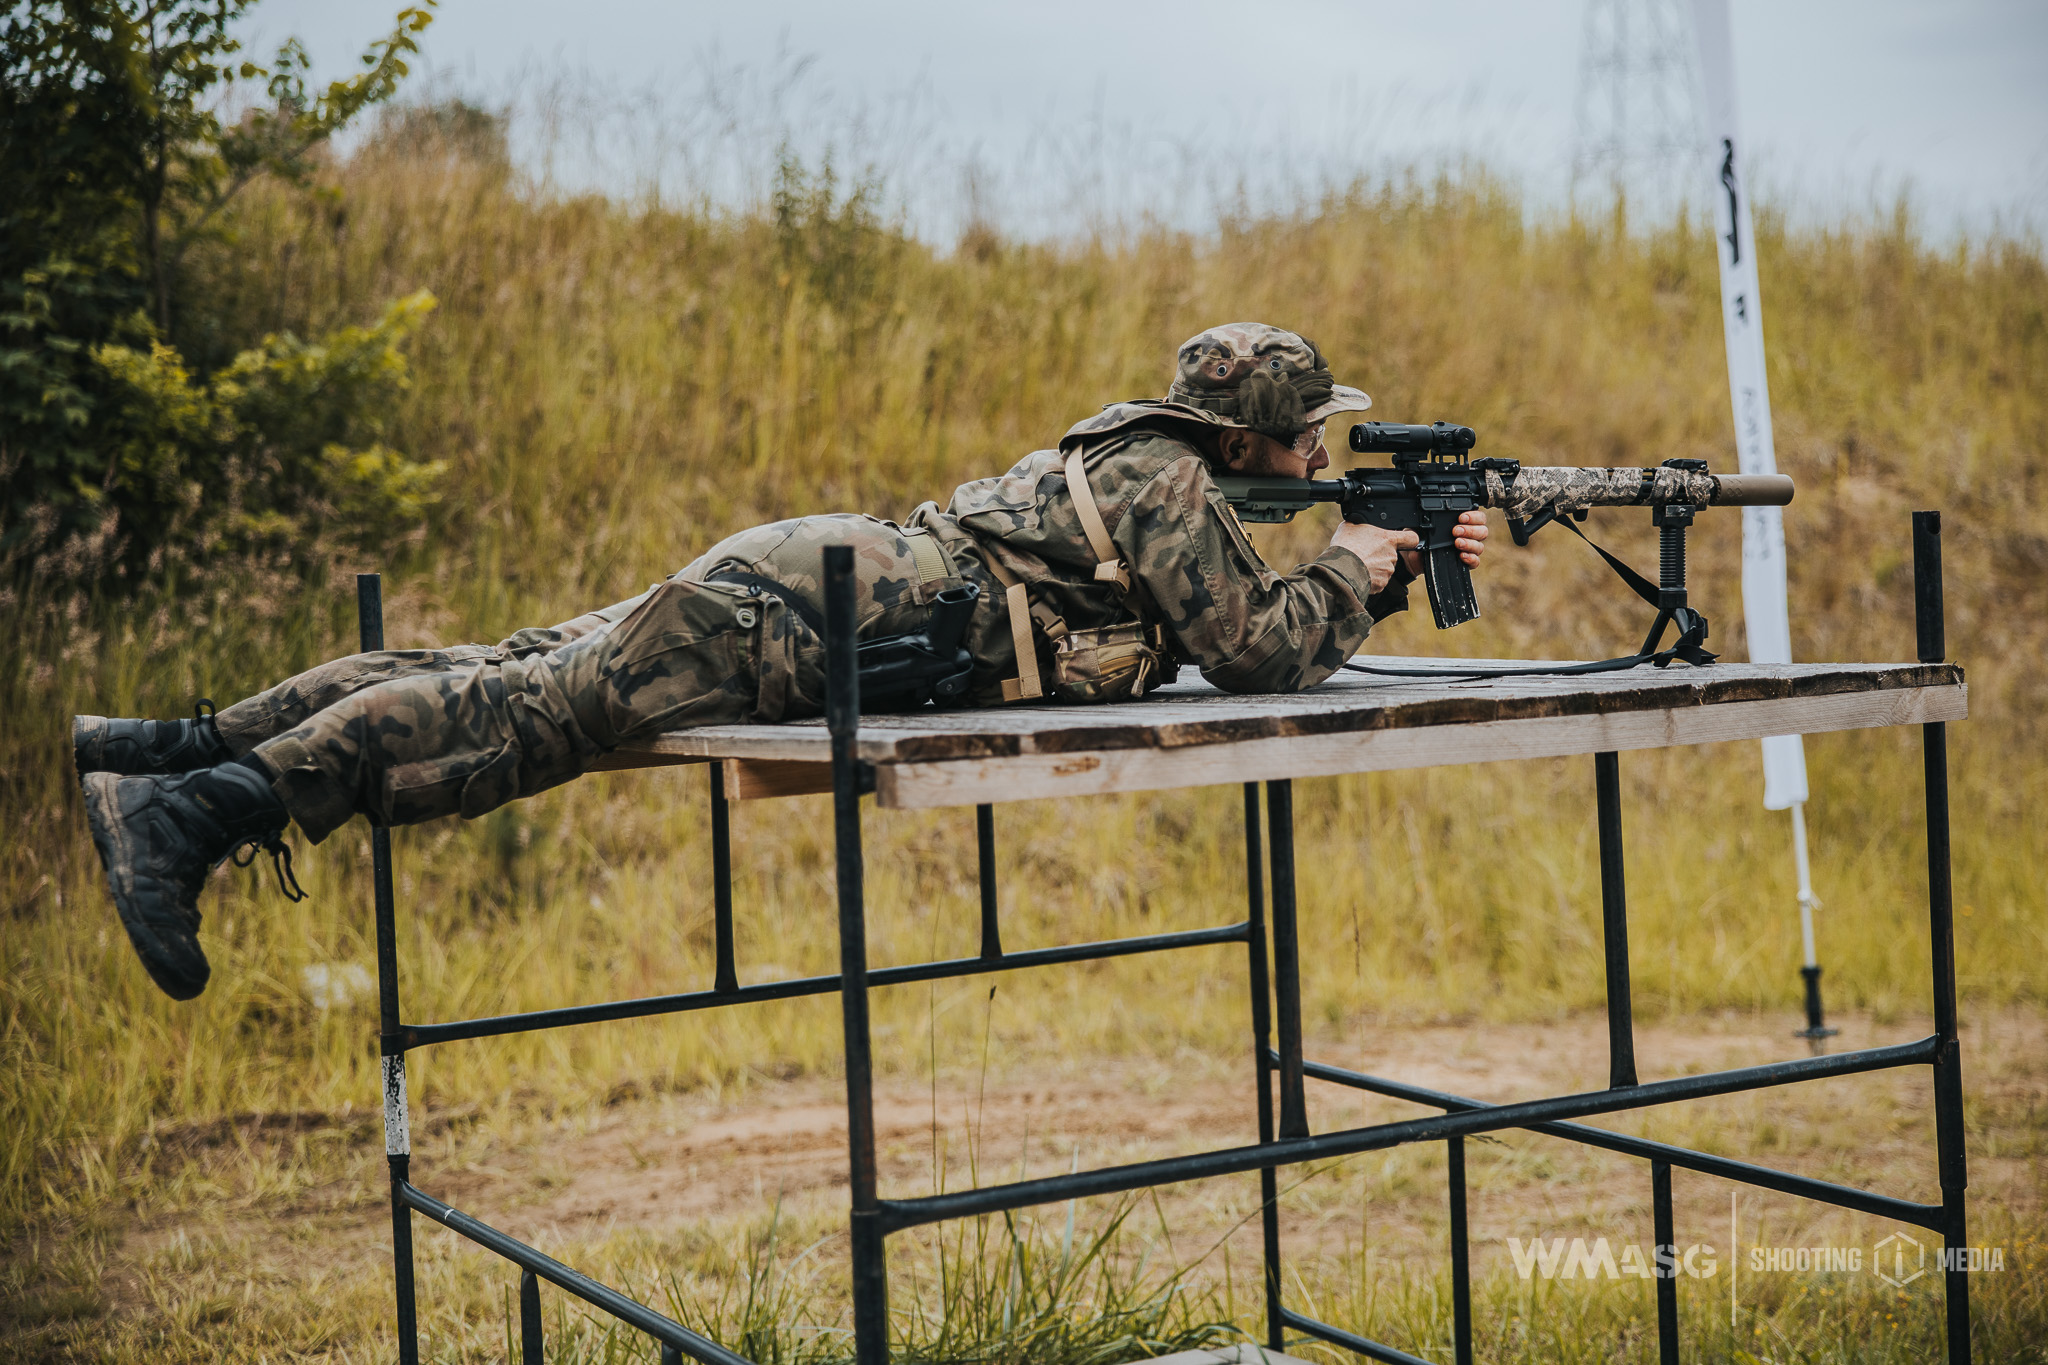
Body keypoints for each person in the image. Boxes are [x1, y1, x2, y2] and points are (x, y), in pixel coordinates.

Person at [77, 323, 1489, 999]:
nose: (1321, 453)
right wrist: (1356, 569)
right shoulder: (1172, 490)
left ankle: (160, 749)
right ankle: (197, 815)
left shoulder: (1145, 460)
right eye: (1309, 435)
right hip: (811, 616)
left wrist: (1343, 544)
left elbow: (1195, 602)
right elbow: (1254, 655)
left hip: (812, 584)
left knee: (504, 659)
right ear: (1244, 438)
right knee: (518, 716)